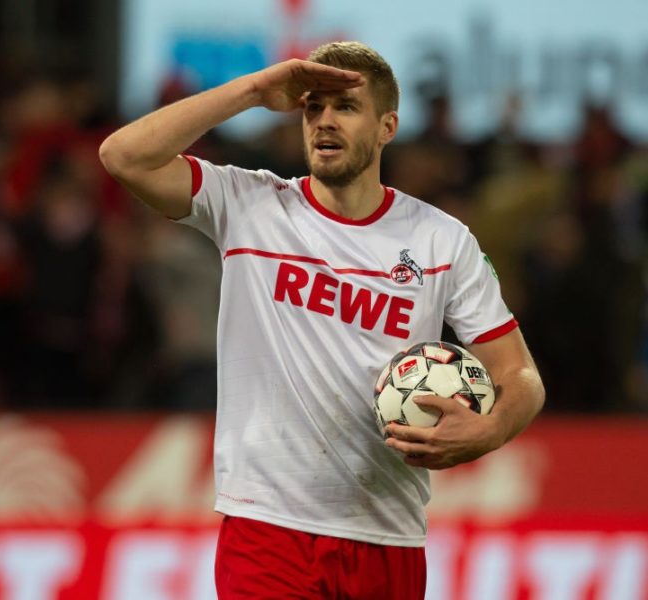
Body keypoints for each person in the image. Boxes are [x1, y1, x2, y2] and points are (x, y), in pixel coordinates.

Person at [100, 41, 545, 599]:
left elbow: (520, 376)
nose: (325, 122)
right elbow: (123, 156)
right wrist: (255, 90)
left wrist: (489, 429)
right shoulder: (250, 205)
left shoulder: (441, 240)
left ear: (387, 127)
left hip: (388, 533)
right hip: (268, 530)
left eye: (345, 107)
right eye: (314, 107)